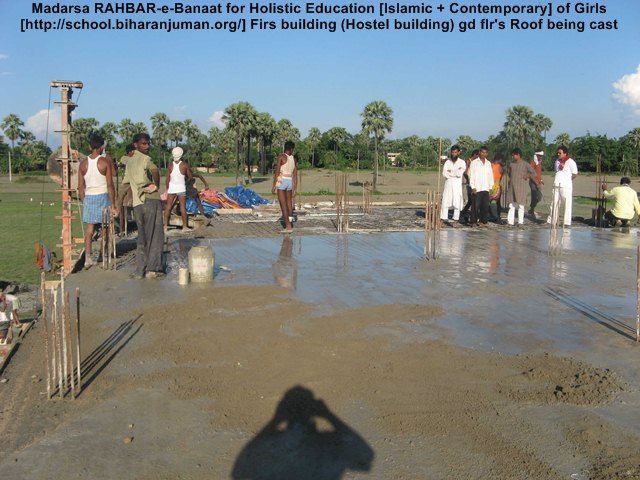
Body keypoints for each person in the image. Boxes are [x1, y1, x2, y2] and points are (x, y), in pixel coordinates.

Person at [122, 133, 165, 279]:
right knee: (155, 235)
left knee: (142, 237)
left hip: (137, 204)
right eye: (144, 144)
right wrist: (156, 185)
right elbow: (155, 170)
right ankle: (152, 269)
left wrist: (117, 203)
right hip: (150, 200)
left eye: (148, 143)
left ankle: (140, 270)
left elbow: (125, 184)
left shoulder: (129, 162)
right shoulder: (146, 159)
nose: (147, 146)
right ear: (136, 145)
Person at [77, 134, 116, 269]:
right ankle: (102, 255)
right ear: (102, 147)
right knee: (105, 229)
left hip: (89, 197)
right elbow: (110, 185)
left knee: (89, 231)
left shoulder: (83, 164)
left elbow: (81, 187)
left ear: (89, 147)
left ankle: (88, 258)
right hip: (103, 197)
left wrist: (84, 201)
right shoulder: (104, 162)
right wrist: (113, 204)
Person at [164, 146, 194, 232]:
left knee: (168, 207)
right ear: (181, 155)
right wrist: (186, 183)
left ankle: (165, 226)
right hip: (181, 189)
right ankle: (184, 227)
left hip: (172, 189)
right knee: (182, 208)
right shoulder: (184, 165)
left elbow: (167, 178)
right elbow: (190, 177)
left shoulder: (170, 165)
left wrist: (167, 189)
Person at [547, 146, 578, 227]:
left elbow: (575, 174)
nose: (558, 154)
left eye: (560, 153)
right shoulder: (557, 161)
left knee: (567, 203)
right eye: (557, 153)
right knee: (554, 203)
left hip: (565, 186)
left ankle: (567, 222)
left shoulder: (570, 161)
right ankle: (552, 220)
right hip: (556, 184)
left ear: (565, 153)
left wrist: (567, 179)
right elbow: (557, 171)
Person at [507, 148, 538, 227]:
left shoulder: (525, 164)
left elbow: (533, 173)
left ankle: (520, 222)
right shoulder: (511, 164)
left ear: (518, 155)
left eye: (514, 155)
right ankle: (510, 222)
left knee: (521, 205)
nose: (512, 156)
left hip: (521, 187)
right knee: (511, 205)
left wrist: (527, 175)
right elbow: (509, 174)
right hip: (512, 187)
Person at [272, 141, 297, 233]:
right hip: (289, 181)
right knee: (289, 204)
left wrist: (274, 185)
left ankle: (288, 227)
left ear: (285, 148)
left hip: (282, 181)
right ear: (291, 149)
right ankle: (290, 223)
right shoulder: (293, 159)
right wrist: (295, 188)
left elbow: (277, 171)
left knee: (283, 205)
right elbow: (295, 174)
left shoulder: (281, 157)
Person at [440, 145, 466, 227]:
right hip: (448, 185)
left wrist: (451, 171)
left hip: (457, 186)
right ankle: (443, 219)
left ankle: (455, 220)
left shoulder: (462, 162)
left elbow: (459, 174)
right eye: (452, 152)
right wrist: (454, 172)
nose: (454, 154)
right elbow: (444, 173)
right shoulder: (447, 162)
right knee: (445, 201)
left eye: (455, 152)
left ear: (459, 152)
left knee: (457, 202)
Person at [469, 146, 494, 227]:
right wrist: (473, 186)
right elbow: (471, 175)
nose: (483, 154)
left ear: (487, 153)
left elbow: (491, 176)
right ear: (479, 152)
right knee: (475, 206)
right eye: (482, 152)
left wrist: (490, 187)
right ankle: (473, 222)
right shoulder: (474, 163)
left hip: (486, 187)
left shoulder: (488, 163)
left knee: (485, 207)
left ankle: (483, 222)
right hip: (477, 188)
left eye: (485, 152)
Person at [461, 149, 479, 224]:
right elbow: (465, 172)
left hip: (474, 182)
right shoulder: (469, 161)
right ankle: (465, 213)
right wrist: (469, 178)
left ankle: (464, 213)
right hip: (469, 183)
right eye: (477, 156)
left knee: (471, 201)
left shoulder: (476, 162)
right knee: (471, 200)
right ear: (475, 155)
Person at [529, 151, 545, 217]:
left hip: (538, 182)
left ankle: (532, 209)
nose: (541, 157)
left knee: (539, 197)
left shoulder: (539, 163)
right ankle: (532, 209)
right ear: (536, 155)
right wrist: (536, 183)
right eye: (540, 155)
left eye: (541, 156)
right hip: (533, 182)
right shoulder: (533, 162)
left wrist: (541, 180)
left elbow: (539, 173)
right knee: (535, 196)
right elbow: (531, 174)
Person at [489, 153, 504, 222]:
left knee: (491, 201)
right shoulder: (499, 167)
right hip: (496, 185)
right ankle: (496, 216)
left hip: (491, 184)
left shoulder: (490, 165)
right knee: (496, 202)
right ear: (499, 159)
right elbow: (501, 176)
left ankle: (493, 215)